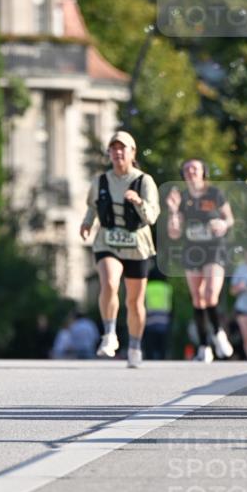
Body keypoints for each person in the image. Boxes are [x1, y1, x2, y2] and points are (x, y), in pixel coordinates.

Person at [80, 130, 160, 368]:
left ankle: (134, 345)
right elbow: (92, 207)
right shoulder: (100, 181)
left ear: (132, 152)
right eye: (113, 148)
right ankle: (109, 334)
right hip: (108, 241)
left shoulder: (144, 181)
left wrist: (138, 201)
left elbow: (153, 216)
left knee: (135, 302)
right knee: (110, 283)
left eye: (122, 148)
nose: (117, 152)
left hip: (136, 244)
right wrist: (86, 222)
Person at [166, 158, 234, 362]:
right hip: (193, 250)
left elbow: (229, 218)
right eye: (186, 169)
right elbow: (174, 233)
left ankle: (219, 334)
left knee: (210, 292)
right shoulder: (182, 197)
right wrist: (173, 211)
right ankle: (204, 347)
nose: (190, 172)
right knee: (197, 297)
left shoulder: (215, 194)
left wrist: (223, 224)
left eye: (194, 168)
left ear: (203, 171)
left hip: (214, 249)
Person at [143, 266, 172, 360]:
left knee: (149, 343)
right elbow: (170, 304)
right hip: (163, 320)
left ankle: (149, 358)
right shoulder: (167, 288)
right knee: (162, 344)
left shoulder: (147, 287)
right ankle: (162, 358)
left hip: (149, 319)